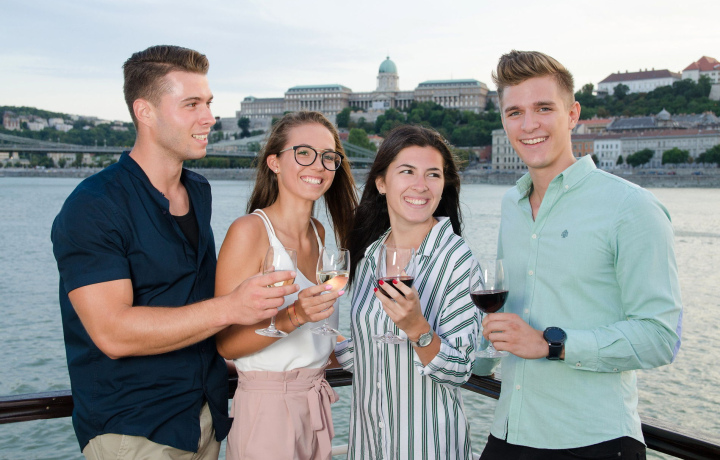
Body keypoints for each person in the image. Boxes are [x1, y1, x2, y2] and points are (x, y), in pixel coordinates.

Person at [51, 45, 298, 459]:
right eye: (192, 104)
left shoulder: (198, 190)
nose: (209, 117)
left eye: (209, 103)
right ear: (144, 112)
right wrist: (233, 307)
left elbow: (187, 300)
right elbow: (112, 333)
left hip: (206, 419)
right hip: (135, 431)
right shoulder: (93, 206)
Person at [479, 50, 683, 460]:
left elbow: (661, 337)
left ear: (572, 115)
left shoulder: (631, 207)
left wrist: (552, 344)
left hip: (593, 443)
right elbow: (506, 316)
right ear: (503, 121)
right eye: (515, 112)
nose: (529, 124)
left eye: (543, 108)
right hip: (509, 432)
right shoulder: (511, 204)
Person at [214, 111, 358, 460]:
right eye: (304, 153)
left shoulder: (319, 233)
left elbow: (316, 336)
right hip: (268, 410)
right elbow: (226, 344)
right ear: (274, 162)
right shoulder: (249, 231)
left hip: (315, 403)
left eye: (328, 156)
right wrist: (294, 316)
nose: (319, 165)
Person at [335, 125, 480, 459]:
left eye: (433, 174)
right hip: (369, 446)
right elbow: (369, 351)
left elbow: (459, 370)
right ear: (381, 183)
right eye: (407, 172)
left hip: (428, 447)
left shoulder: (456, 258)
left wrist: (417, 328)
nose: (421, 185)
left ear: (443, 186)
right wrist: (312, 335)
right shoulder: (369, 256)